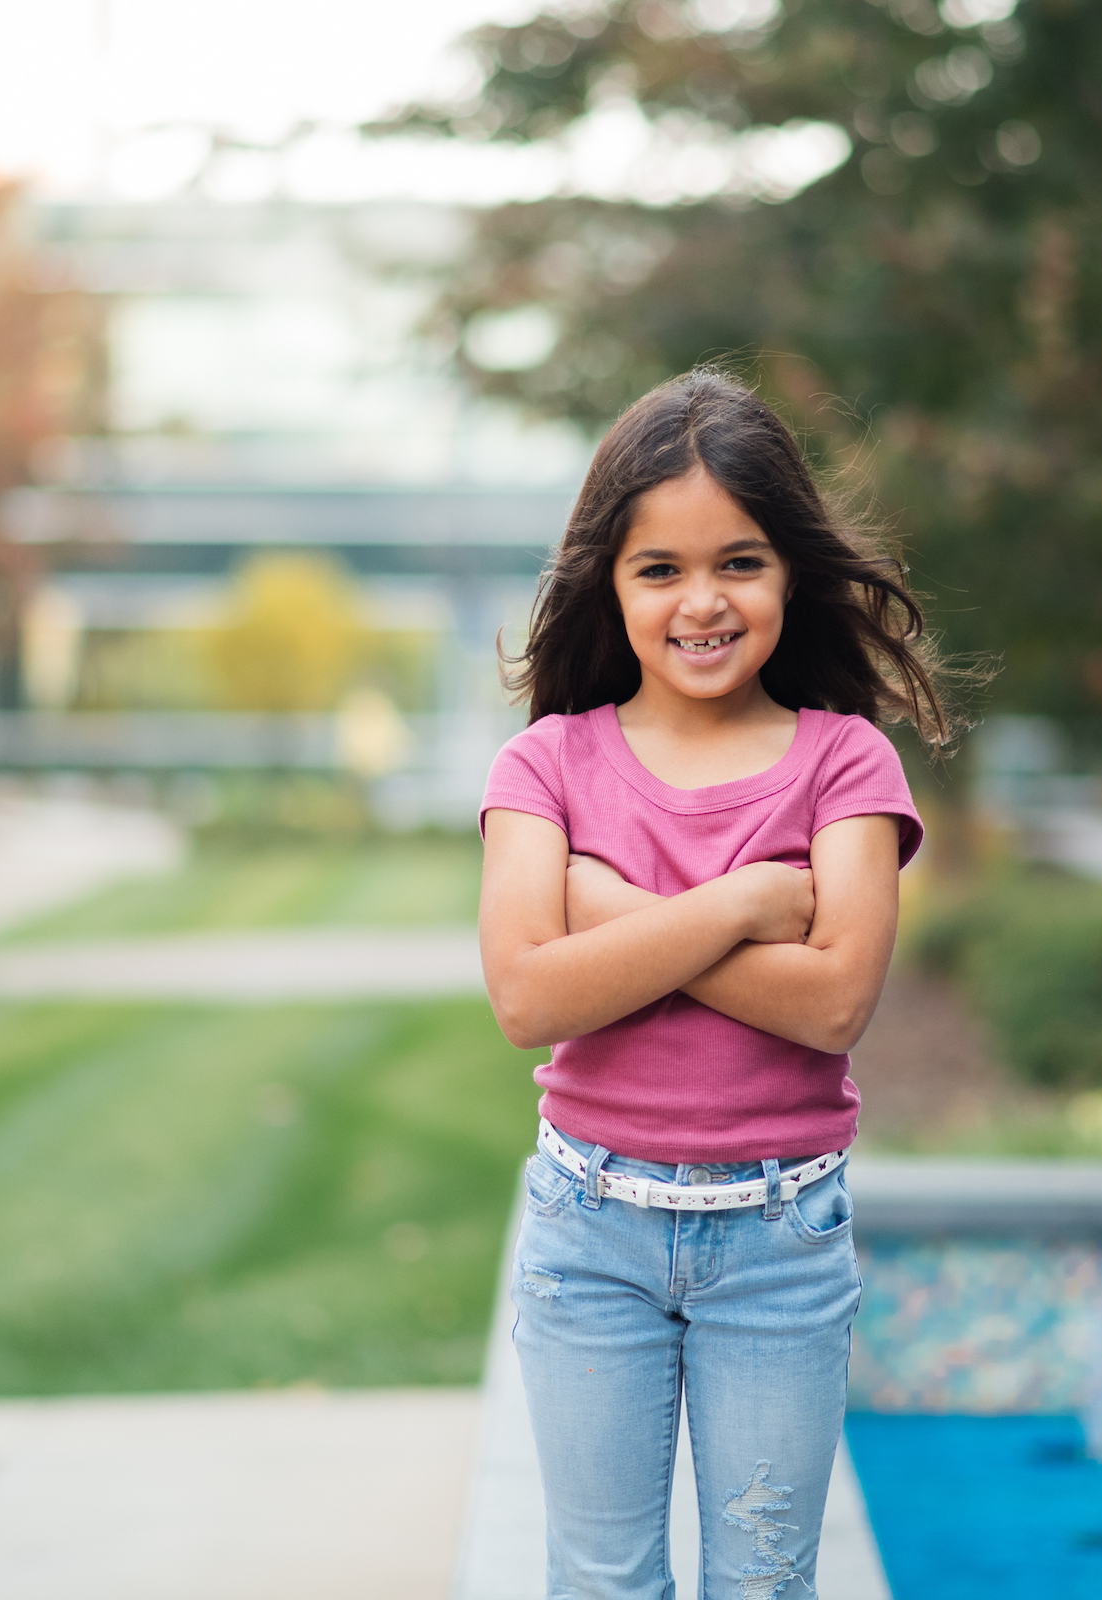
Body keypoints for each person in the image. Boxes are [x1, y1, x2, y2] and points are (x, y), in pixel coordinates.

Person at [478, 369, 955, 1598]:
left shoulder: (847, 761)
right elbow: (529, 998)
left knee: (762, 1582)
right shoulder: (547, 764)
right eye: (660, 569)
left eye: (740, 562)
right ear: (610, 581)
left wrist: (614, 918)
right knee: (602, 1578)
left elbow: (837, 999)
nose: (703, 601)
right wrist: (745, 904)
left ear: (791, 572)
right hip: (590, 1235)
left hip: (780, 1239)